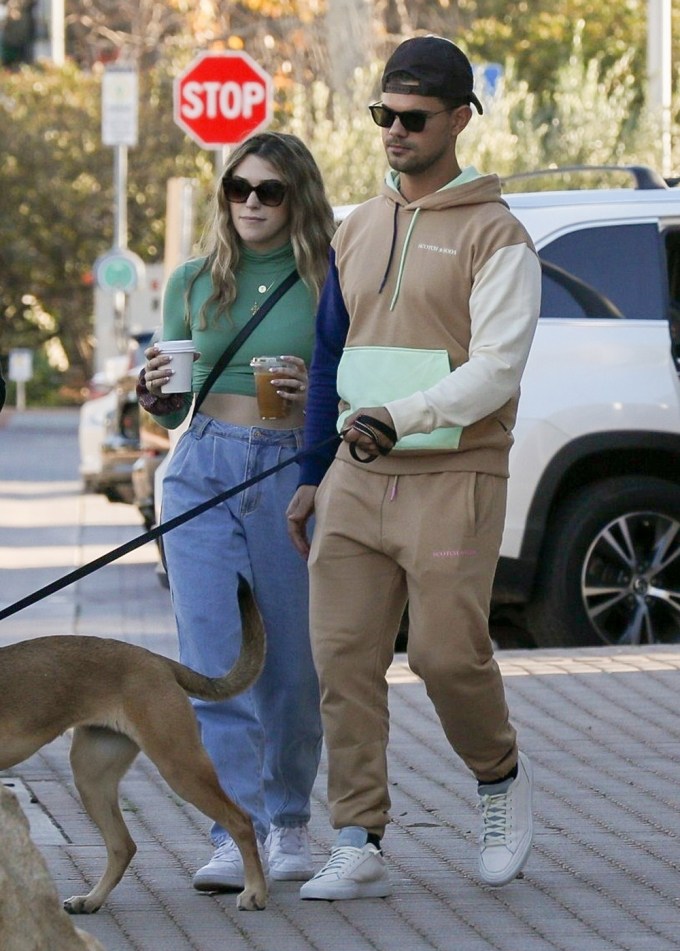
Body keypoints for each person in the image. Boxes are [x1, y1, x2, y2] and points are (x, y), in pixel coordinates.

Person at [286, 35, 542, 900]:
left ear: (461, 118)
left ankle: (500, 774)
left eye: (413, 117)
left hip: (454, 475)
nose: (394, 130)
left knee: (443, 656)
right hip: (357, 477)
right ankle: (356, 834)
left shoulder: (498, 234)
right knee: (343, 659)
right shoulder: (356, 225)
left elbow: (497, 370)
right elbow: (330, 357)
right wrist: (313, 472)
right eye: (382, 115)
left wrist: (402, 417)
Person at [138, 132, 335, 891]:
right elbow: (172, 405)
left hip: (291, 470)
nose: (251, 203)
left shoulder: (327, 279)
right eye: (237, 188)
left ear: (298, 198)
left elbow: (350, 385)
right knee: (217, 664)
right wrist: (155, 390)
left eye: (270, 190)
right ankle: (231, 828)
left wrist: (311, 393)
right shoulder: (191, 280)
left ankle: (287, 821)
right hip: (201, 469)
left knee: (290, 665)